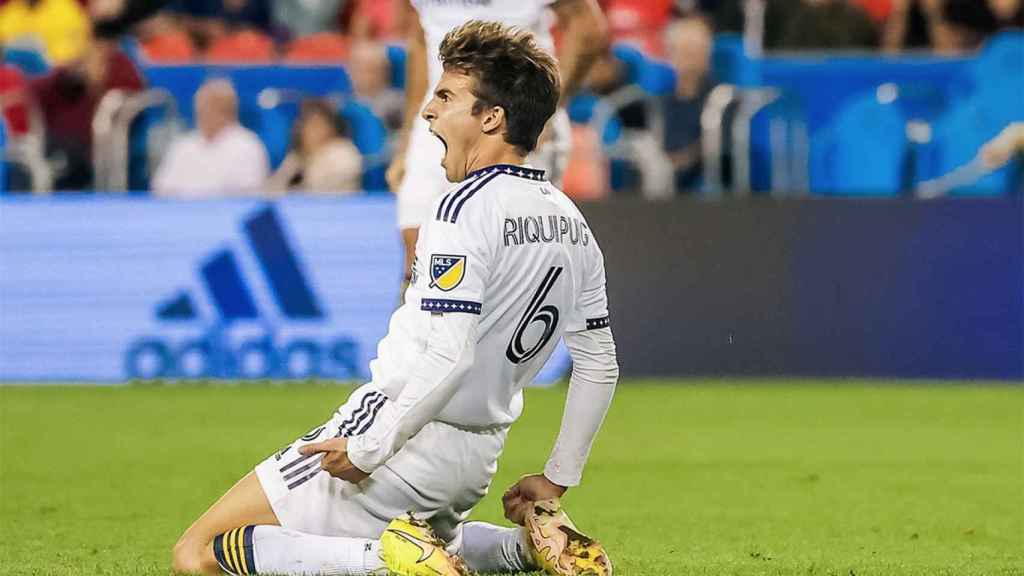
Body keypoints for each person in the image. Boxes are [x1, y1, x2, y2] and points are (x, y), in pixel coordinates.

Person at [171, 20, 617, 576]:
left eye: (447, 95)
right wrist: (555, 479)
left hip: (402, 435)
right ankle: (521, 549)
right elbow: (600, 365)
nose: (427, 111)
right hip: (477, 456)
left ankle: (384, 561)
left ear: (492, 117)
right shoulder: (574, 224)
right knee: (426, 543)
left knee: (199, 555)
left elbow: (448, 354)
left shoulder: (460, 209)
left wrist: (368, 448)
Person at [386, 0, 608, 292]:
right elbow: (418, 37)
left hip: (516, 116)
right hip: (442, 118)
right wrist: (407, 142)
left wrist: (546, 109)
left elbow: (589, 28)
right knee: (418, 240)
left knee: (515, 263)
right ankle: (426, 334)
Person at [30, 38, 145, 190]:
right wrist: (71, 73)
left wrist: (96, 82)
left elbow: (132, 94)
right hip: (63, 138)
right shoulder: (72, 71)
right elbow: (39, 88)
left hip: (101, 140)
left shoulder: (120, 66)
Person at [152, 78, 269, 197]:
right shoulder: (183, 145)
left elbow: (247, 196)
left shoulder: (248, 146)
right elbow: (162, 189)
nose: (199, 113)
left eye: (206, 108)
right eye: (198, 107)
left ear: (226, 111)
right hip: (181, 212)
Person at [267, 98, 363, 194]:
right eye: (307, 125)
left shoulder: (343, 152)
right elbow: (275, 189)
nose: (312, 132)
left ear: (333, 128)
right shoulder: (296, 157)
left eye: (318, 125)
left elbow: (324, 190)